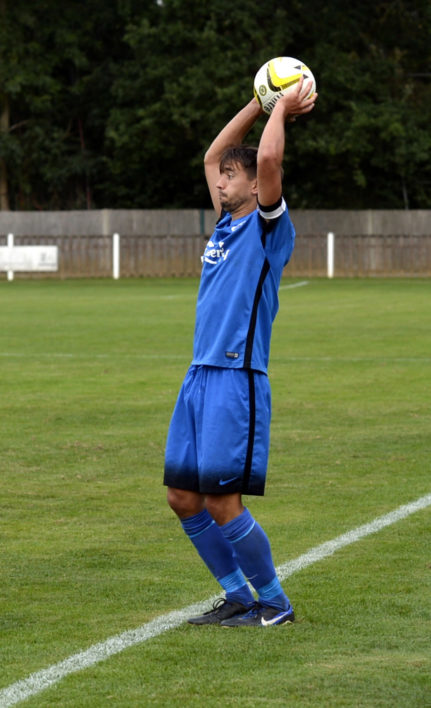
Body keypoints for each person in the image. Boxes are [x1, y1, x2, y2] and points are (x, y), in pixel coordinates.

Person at [164, 76, 317, 627]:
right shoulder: (226, 224)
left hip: (237, 377)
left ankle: (275, 604)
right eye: (223, 177)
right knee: (183, 496)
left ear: (257, 187)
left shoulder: (268, 229)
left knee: (223, 502)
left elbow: (270, 158)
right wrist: (257, 101)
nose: (221, 181)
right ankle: (237, 595)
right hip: (199, 375)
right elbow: (212, 155)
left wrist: (282, 108)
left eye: (233, 176)